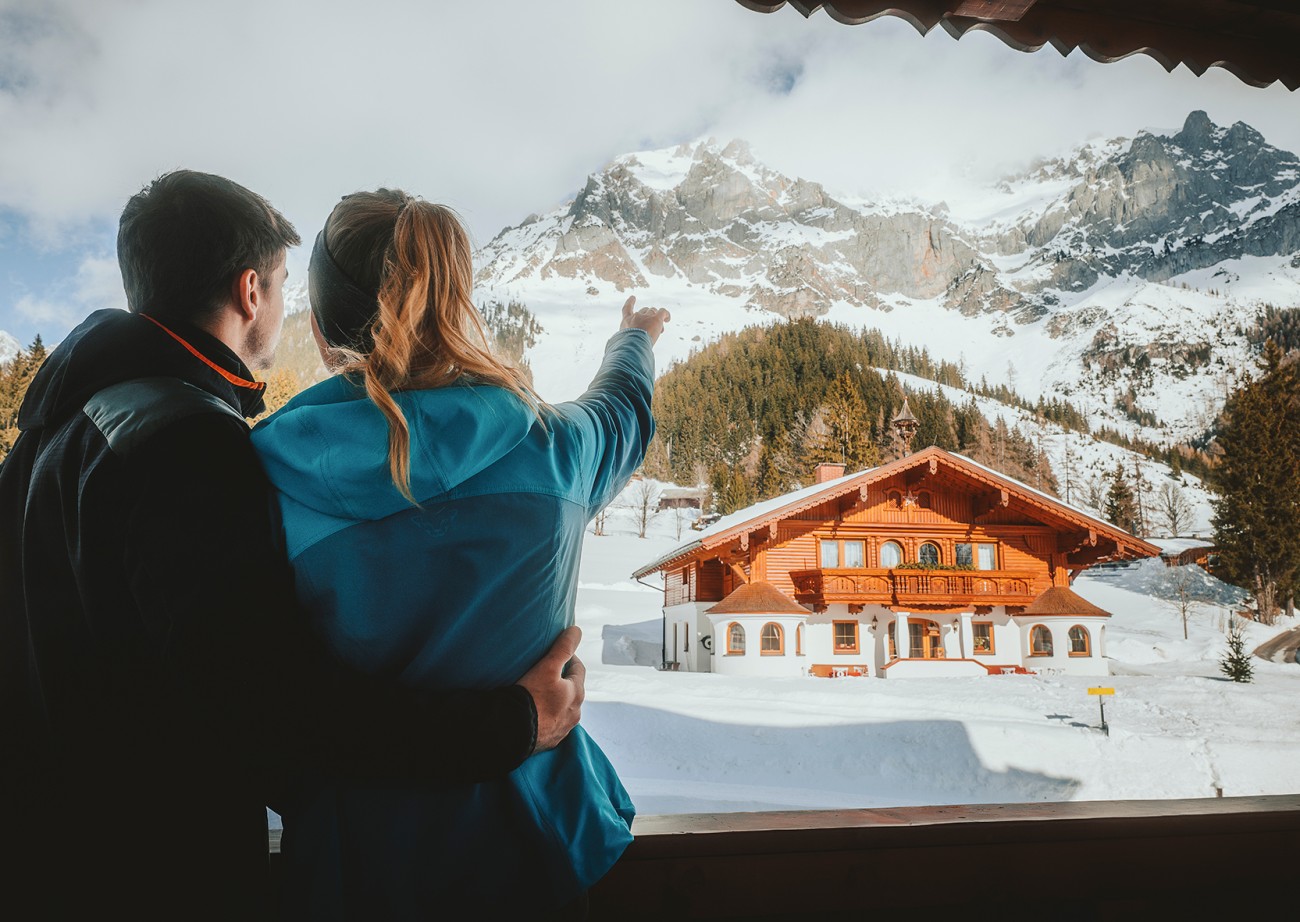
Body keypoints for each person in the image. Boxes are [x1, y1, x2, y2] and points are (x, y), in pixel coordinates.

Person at [0, 170, 587, 920]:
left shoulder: (52, 435)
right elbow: (277, 705)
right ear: (252, 292)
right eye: (281, 284)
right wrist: (512, 725)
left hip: (42, 861)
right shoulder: (187, 445)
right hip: (152, 874)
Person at [249, 189, 666, 917]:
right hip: (537, 851)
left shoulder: (263, 476)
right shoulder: (556, 451)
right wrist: (631, 340)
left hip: (357, 868)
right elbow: (620, 412)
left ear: (319, 330)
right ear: (452, 301)